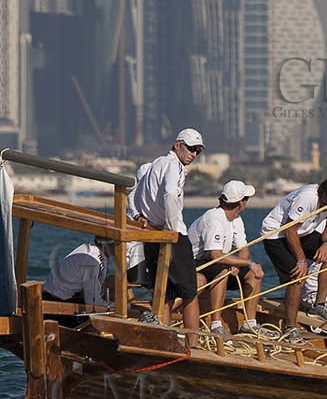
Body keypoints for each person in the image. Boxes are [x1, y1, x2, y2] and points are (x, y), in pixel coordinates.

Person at [129, 128, 204, 330]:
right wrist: (171, 230)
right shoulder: (174, 166)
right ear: (177, 145)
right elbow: (170, 195)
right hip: (173, 236)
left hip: (152, 236)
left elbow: (132, 197)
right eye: (191, 148)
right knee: (189, 294)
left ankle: (163, 336)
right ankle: (194, 344)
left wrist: (138, 216)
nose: (194, 154)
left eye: (198, 151)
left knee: (163, 292)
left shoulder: (154, 165)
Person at [260, 176, 327, 330]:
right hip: (276, 233)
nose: (326, 208)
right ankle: (290, 327)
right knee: (298, 276)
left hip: (303, 233)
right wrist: (301, 260)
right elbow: (290, 229)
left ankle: (319, 305)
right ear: (320, 194)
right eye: (324, 204)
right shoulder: (307, 196)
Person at [189, 180, 265, 337]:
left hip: (214, 261)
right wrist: (247, 263)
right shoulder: (214, 219)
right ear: (240, 203)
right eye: (246, 199)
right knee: (223, 270)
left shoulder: (236, 220)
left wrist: (240, 263)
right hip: (195, 263)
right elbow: (215, 256)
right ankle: (216, 324)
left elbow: (243, 249)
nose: (246, 203)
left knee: (255, 273)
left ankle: (249, 324)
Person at [42, 237, 113, 322]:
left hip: (56, 300)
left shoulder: (91, 250)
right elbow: (93, 304)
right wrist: (118, 308)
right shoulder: (91, 261)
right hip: (55, 309)